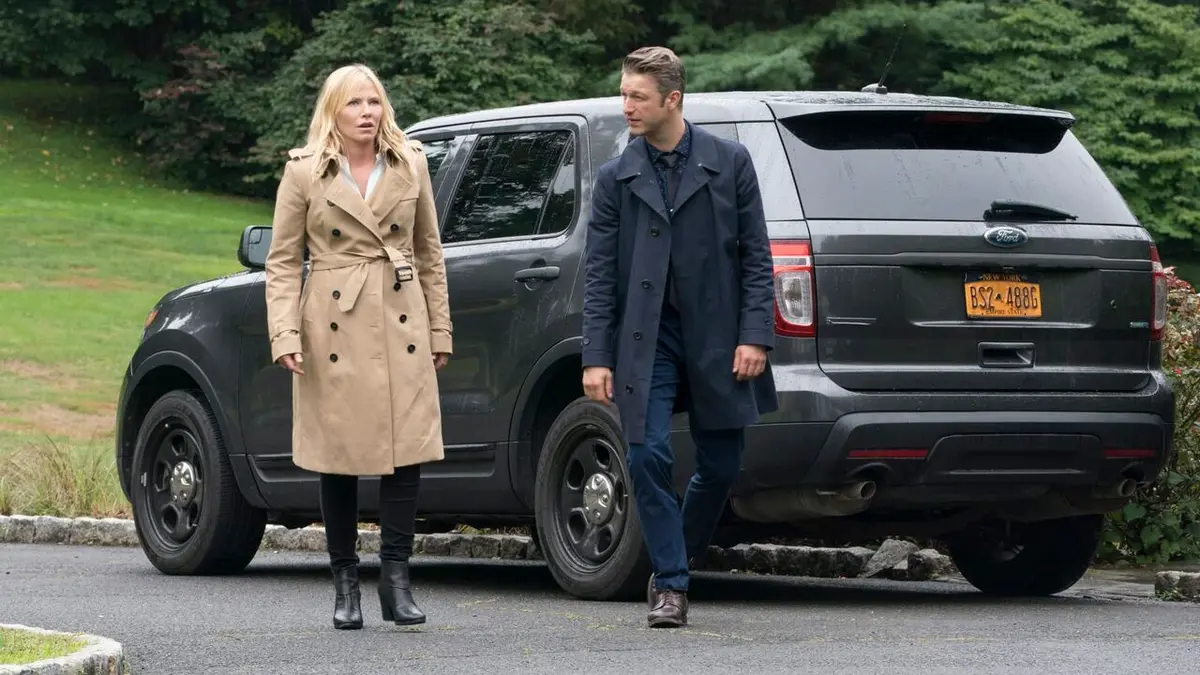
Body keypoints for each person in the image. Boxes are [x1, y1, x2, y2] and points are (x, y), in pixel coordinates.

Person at [581, 46, 778, 628]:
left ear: (672, 99)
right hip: (647, 337)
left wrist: (755, 335)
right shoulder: (616, 176)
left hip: (718, 335)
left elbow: (757, 258)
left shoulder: (730, 162)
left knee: (722, 465)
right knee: (645, 454)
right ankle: (670, 585)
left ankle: (677, 557)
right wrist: (596, 355)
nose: (626, 106)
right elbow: (599, 274)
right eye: (623, 93)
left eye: (637, 96)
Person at [264, 63, 453, 630]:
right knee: (338, 457)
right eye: (354, 103)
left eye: (373, 101)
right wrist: (285, 334)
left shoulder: (411, 162)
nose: (367, 112)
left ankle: (397, 580)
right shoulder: (305, 172)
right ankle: (345, 583)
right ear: (333, 111)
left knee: (407, 452)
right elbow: (282, 263)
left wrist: (439, 329)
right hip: (333, 323)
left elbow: (429, 253)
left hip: (400, 316)